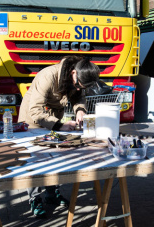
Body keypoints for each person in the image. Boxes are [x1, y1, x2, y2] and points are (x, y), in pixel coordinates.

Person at [18, 56, 100, 217]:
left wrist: (80, 110)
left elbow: (78, 97)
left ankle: (51, 194)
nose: (78, 88)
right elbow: (35, 110)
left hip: (53, 119)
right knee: (35, 159)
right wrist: (60, 125)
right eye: (78, 85)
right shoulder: (47, 76)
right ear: (74, 73)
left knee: (53, 157)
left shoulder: (76, 77)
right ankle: (35, 198)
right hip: (33, 120)